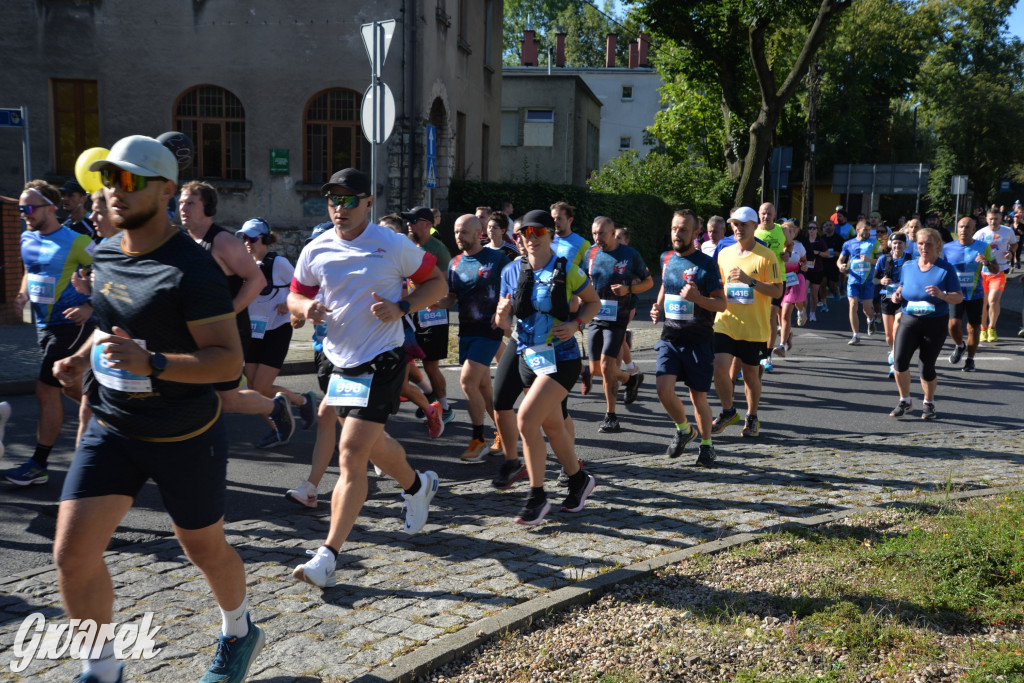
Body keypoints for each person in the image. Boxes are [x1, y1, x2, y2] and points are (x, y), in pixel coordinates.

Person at [51, 134, 264, 683]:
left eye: (129, 180)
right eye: (108, 179)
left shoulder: (191, 269)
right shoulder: (103, 250)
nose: (114, 192)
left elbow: (226, 363)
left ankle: (239, 630)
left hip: (184, 434)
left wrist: (155, 365)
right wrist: (80, 359)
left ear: (166, 189)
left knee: (204, 549)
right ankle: (102, 671)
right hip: (114, 427)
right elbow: (107, 320)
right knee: (72, 555)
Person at [288, 169, 444, 588]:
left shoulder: (393, 244)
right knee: (370, 444)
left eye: (349, 200)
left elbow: (437, 283)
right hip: (338, 361)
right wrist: (305, 309)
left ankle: (327, 554)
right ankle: (416, 485)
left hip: (383, 357)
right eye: (333, 200)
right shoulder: (316, 248)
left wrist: (403, 306)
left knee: (352, 451)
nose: (339, 208)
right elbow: (294, 294)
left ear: (368, 202)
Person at [493, 209, 600, 525]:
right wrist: (502, 319)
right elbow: (507, 318)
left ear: (550, 235)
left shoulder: (566, 270)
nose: (532, 239)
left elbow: (593, 302)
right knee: (552, 427)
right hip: (529, 358)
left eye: (538, 233)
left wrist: (577, 323)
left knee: (525, 418)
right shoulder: (511, 271)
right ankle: (579, 480)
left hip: (562, 359)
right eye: (526, 233)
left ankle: (536, 497)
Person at [179, 181, 297, 447]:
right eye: (181, 202)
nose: (182, 208)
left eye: (190, 203)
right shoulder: (183, 242)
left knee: (227, 395)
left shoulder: (223, 242)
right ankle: (275, 412)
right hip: (197, 330)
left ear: (208, 208)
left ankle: (279, 409)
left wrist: (228, 312)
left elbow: (257, 281)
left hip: (234, 331)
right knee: (217, 394)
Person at [4, 180, 94, 487]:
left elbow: (113, 272)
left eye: (29, 208)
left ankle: (38, 464)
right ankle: (120, 410)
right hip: (43, 326)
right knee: (71, 387)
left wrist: (91, 306)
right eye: (20, 209)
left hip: (71, 324)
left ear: (50, 208)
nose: (24, 213)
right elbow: (31, 270)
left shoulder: (77, 241)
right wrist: (21, 295)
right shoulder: (26, 238)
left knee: (46, 390)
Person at [650, 210, 726, 466]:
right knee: (663, 389)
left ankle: (706, 445)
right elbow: (665, 284)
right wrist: (657, 306)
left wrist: (698, 299)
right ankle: (684, 429)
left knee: (698, 397)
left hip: (698, 340)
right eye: (674, 228)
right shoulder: (667, 257)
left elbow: (721, 304)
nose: (677, 234)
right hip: (670, 337)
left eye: (683, 230)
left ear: (695, 234)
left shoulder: (706, 264)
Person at [436, 215, 509, 462]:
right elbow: (452, 297)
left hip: (489, 330)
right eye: (457, 232)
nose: (459, 236)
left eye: (464, 232)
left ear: (480, 234)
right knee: (483, 388)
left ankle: (478, 439)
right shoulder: (455, 263)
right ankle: (504, 432)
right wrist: (434, 303)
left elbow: (512, 290)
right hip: (466, 330)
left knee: (467, 381)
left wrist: (503, 312)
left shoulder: (497, 259)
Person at [237, 218, 315, 438]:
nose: (248, 242)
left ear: (265, 238)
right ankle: (278, 430)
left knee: (261, 387)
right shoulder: (244, 263)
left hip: (277, 330)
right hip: (254, 332)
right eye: (244, 238)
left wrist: (289, 303)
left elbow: (301, 288)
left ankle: (302, 400)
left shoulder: (278, 263)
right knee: (253, 389)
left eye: (252, 238)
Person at [710, 207, 783, 438]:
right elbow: (718, 286)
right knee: (718, 367)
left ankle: (752, 417)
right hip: (726, 322)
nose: (738, 229)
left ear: (754, 226)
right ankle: (728, 411)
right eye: (735, 224)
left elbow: (778, 291)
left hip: (754, 328)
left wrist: (749, 281)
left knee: (751, 376)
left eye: (743, 225)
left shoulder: (766, 256)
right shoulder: (724, 253)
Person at [583, 216, 653, 431]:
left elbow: (648, 282)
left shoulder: (629, 255)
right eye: (594, 233)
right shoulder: (590, 253)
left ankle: (611, 416)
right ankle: (631, 380)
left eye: (601, 233)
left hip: (618, 316)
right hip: (595, 315)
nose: (597, 238)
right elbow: (583, 281)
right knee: (596, 369)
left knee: (606, 366)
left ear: (613, 233)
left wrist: (628, 290)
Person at [889, 227, 962, 419]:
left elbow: (958, 297)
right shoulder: (908, 266)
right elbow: (903, 287)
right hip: (909, 320)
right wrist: (897, 295)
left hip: (934, 323)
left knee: (926, 367)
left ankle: (929, 403)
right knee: (899, 362)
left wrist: (942, 295)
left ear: (937, 245)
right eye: (920, 243)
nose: (924, 247)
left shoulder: (945, 269)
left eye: (928, 244)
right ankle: (905, 400)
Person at [403, 205, 455, 424]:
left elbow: (445, 287)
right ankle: (429, 398)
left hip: (433, 314)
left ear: (427, 224)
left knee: (431, 365)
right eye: (408, 221)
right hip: (413, 312)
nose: (409, 224)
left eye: (413, 221)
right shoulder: (409, 245)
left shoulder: (438, 250)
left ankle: (444, 407)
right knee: (409, 361)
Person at [944, 216, 997, 372]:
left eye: (967, 227)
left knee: (973, 328)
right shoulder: (947, 248)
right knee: (953, 325)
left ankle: (970, 360)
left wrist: (987, 263)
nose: (963, 230)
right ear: (956, 229)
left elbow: (995, 269)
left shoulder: (983, 247)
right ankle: (960, 346)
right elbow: (940, 269)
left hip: (976, 294)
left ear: (974, 230)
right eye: (961, 227)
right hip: (955, 293)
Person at [973, 208, 1018, 342]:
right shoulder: (980, 233)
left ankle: (992, 327)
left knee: (993, 301)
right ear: (987, 219)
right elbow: (971, 248)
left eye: (996, 218)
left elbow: (1014, 244)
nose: (993, 221)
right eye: (991, 219)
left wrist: (1011, 252)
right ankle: (983, 329)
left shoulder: (1007, 231)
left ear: (1001, 218)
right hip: (982, 273)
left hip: (999, 271)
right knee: (983, 303)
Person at [837, 220, 883, 345]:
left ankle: (871, 319)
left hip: (868, 281)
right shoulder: (848, 244)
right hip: (853, 280)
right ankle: (855, 335)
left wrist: (868, 260)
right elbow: (840, 260)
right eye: (865, 229)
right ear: (858, 230)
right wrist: (841, 266)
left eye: (869, 230)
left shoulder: (875, 243)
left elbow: (881, 262)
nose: (868, 232)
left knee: (867, 309)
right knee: (853, 305)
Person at [754, 203, 786, 371]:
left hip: (778, 278)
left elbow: (789, 244)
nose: (766, 217)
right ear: (759, 214)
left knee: (771, 316)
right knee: (759, 314)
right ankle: (755, 350)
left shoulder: (782, 230)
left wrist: (787, 253)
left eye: (769, 214)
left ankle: (767, 356)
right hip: (758, 278)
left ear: (774, 215)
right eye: (763, 213)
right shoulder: (753, 231)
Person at [874, 231, 911, 376]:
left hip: (903, 298)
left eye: (900, 243)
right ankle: (893, 350)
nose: (897, 246)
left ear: (905, 245)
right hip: (886, 298)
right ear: (891, 245)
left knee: (897, 327)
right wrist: (882, 281)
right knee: (889, 336)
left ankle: (894, 363)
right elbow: (875, 279)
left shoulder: (910, 259)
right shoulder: (883, 259)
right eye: (895, 243)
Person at [778, 221, 808, 355]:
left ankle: (781, 346)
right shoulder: (776, 245)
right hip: (778, 281)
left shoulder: (799, 246)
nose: (787, 234)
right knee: (780, 316)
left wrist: (805, 265)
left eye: (791, 231)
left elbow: (804, 260)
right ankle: (788, 334)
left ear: (795, 233)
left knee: (786, 313)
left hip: (794, 280)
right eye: (785, 231)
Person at [804, 222, 827, 321]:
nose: (811, 230)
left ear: (817, 230)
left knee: (814, 295)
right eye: (809, 228)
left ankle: (812, 313)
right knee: (803, 293)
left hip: (817, 270)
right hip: (806, 270)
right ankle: (803, 313)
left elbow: (827, 254)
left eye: (813, 228)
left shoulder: (820, 241)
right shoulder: (804, 241)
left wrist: (817, 252)